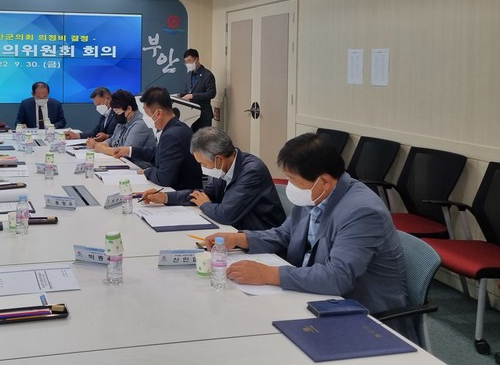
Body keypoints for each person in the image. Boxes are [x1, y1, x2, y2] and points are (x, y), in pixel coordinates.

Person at [205, 133, 411, 330]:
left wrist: (268, 274)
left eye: (293, 179)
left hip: (362, 314)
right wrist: (240, 238)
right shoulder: (316, 194)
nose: (290, 186)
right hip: (311, 296)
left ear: (324, 181)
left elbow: (338, 277)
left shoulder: (362, 211)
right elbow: (285, 234)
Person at [140, 127, 284, 230]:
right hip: (235, 230)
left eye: (203, 164)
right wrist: (165, 197)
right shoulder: (223, 167)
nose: (202, 167)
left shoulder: (252, 171)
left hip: (261, 237)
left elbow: (225, 214)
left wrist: (204, 205)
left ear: (219, 159)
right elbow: (204, 195)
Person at [111, 87, 202, 190]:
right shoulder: (176, 127)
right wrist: (129, 151)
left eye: (146, 113)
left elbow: (164, 178)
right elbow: (159, 153)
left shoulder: (171, 135)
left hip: (179, 192)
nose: (145, 118)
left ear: (158, 113)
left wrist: (147, 171)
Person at [90, 89, 156, 168]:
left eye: (117, 112)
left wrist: (100, 148)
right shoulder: (124, 120)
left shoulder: (140, 125)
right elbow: (112, 139)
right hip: (124, 163)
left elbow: (124, 152)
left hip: (139, 167)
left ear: (129, 109)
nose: (116, 115)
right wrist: (99, 144)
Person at [180, 48, 216, 131]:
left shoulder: (207, 75)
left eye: (189, 61)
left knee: (203, 138)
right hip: (190, 114)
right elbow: (187, 91)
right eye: (186, 62)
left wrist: (193, 96)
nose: (187, 64)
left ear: (197, 59)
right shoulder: (189, 75)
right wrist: (179, 95)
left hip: (203, 115)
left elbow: (211, 93)